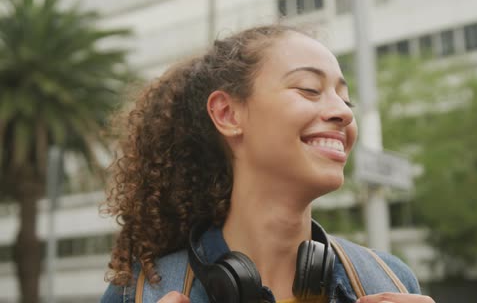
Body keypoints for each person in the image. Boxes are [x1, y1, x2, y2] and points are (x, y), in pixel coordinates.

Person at [100, 24, 434, 303]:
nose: (344, 112)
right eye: (309, 89)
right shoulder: (140, 293)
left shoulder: (389, 281)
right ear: (228, 114)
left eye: (347, 100)